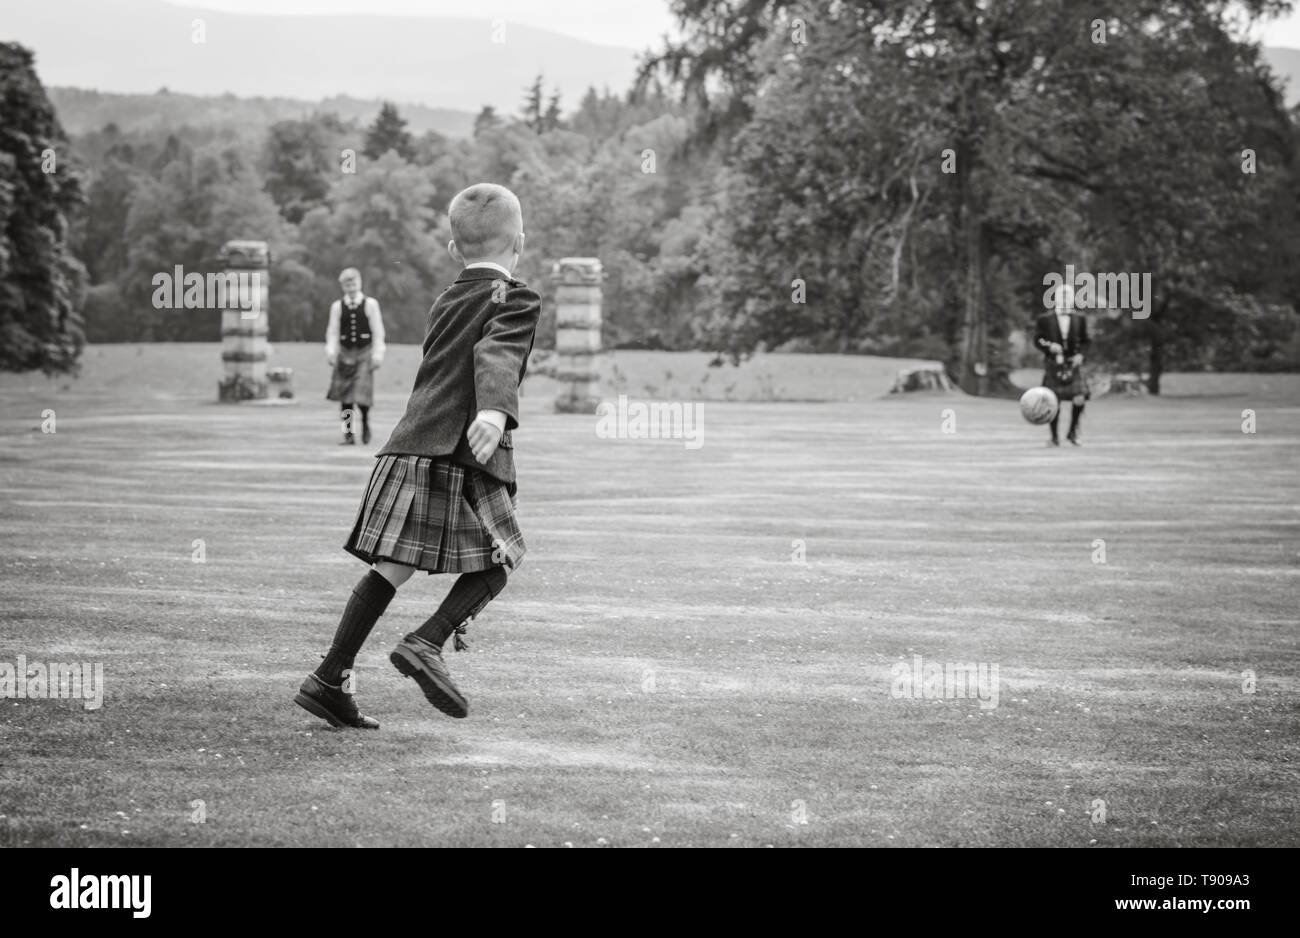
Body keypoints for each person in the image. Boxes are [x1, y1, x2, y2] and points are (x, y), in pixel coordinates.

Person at [295, 183, 540, 728]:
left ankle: (328, 679)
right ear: (520, 241)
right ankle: (425, 643)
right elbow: (497, 353)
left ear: (455, 251)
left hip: (410, 445)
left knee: (393, 567)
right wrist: (493, 412)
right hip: (463, 450)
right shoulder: (516, 297)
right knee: (500, 560)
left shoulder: (446, 297)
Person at [325, 269, 385, 444]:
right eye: (347, 284)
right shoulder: (337, 307)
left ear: (359, 283)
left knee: (362, 396)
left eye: (353, 283)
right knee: (345, 399)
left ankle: (366, 425)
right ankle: (348, 434)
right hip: (344, 354)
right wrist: (330, 352)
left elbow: (378, 331)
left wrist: (378, 354)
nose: (351, 287)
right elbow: (333, 332)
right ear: (343, 286)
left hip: (364, 353)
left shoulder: (370, 304)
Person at [1033, 282, 1091, 446]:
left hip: (1073, 364)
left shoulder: (1080, 318)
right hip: (1053, 363)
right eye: (1062, 296)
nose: (1065, 299)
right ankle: (1054, 437)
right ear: (1056, 298)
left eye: (1068, 296)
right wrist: (1049, 346)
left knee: (1079, 398)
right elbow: (1036, 340)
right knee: (1053, 400)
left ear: (1073, 299)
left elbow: (1087, 341)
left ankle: (1072, 432)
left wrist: (1081, 355)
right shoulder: (1044, 319)